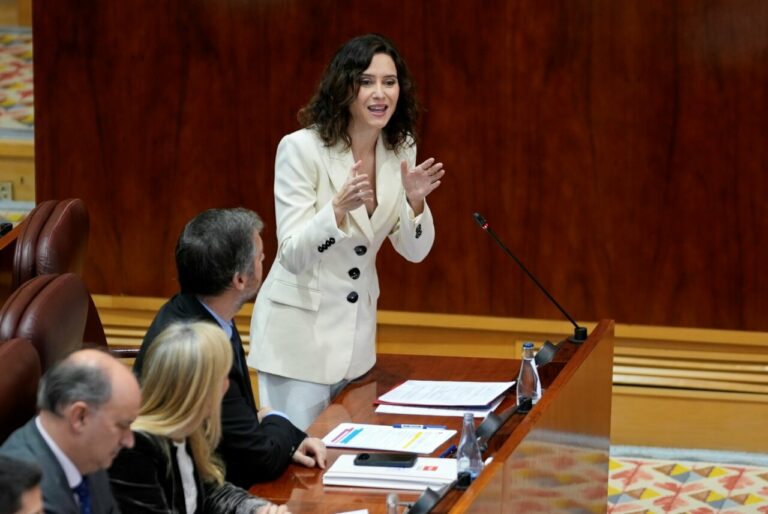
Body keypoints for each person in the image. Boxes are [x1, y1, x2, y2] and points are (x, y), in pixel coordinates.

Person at [248, 33, 445, 429]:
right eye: (367, 81)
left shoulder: (400, 148)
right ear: (344, 87)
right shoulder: (301, 149)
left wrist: (415, 203)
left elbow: (414, 251)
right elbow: (292, 254)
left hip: (356, 342)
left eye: (389, 82)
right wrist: (335, 211)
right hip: (298, 341)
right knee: (298, 471)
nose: (380, 93)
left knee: (343, 463)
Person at [133, 208, 326, 488]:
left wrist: (292, 438)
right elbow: (259, 460)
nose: (264, 260)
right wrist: (273, 416)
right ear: (239, 280)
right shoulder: (200, 350)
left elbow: (247, 424)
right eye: (260, 257)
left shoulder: (205, 309)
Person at [110, 321, 290, 513]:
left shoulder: (187, 431)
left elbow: (210, 493)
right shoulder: (136, 448)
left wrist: (259, 510)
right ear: (195, 388)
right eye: (222, 377)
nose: (226, 387)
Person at [0, 349, 141, 513]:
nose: (129, 441)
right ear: (80, 417)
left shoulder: (87, 454)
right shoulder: (27, 494)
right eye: (122, 425)